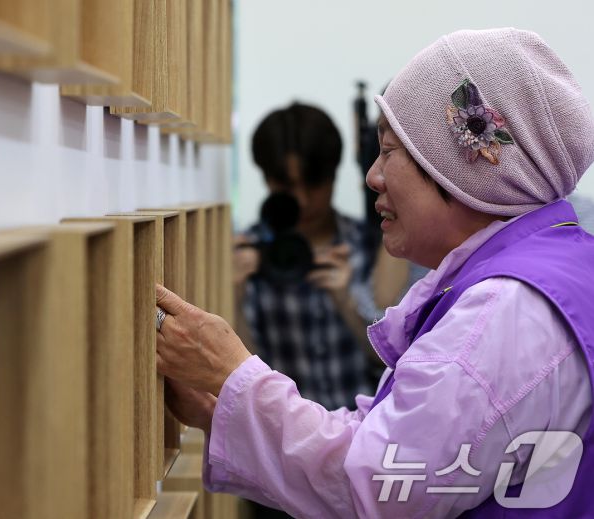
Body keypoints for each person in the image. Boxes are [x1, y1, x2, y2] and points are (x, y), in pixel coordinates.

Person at [155, 28, 594, 517]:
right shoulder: (549, 271)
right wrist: (225, 411)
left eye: (389, 151)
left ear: (459, 166)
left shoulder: (505, 313)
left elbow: (379, 485)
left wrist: (232, 373)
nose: (372, 177)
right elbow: (388, 436)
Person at [234, 102, 379, 415]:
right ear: (267, 179)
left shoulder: (370, 244)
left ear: (332, 174)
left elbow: (395, 361)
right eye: (285, 186)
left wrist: (347, 302)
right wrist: (233, 295)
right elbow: (242, 377)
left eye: (313, 183)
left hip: (363, 438)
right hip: (281, 438)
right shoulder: (250, 253)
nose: (300, 200)